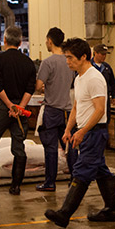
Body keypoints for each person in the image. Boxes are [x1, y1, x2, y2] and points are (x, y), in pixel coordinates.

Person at [45, 38, 115, 227]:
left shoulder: (94, 78)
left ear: (84, 56)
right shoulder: (79, 78)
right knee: (101, 171)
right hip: (85, 131)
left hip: (95, 132)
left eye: (70, 58)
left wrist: (83, 131)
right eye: (66, 57)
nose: (67, 62)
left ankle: (64, 213)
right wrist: (69, 128)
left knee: (82, 171)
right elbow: (77, 107)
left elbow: (100, 109)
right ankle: (112, 210)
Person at [0, 27, 36, 194]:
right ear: (19, 42)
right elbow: (30, 88)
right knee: (19, 147)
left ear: (4, 41)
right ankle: (15, 186)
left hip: (3, 106)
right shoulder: (28, 62)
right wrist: (20, 107)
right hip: (20, 109)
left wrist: (10, 105)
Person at [35, 27, 75, 192]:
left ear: (50, 41)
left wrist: (45, 88)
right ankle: (74, 180)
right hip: (68, 111)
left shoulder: (48, 62)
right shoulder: (69, 61)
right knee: (70, 147)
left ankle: (50, 182)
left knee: (50, 148)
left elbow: (38, 86)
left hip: (52, 110)